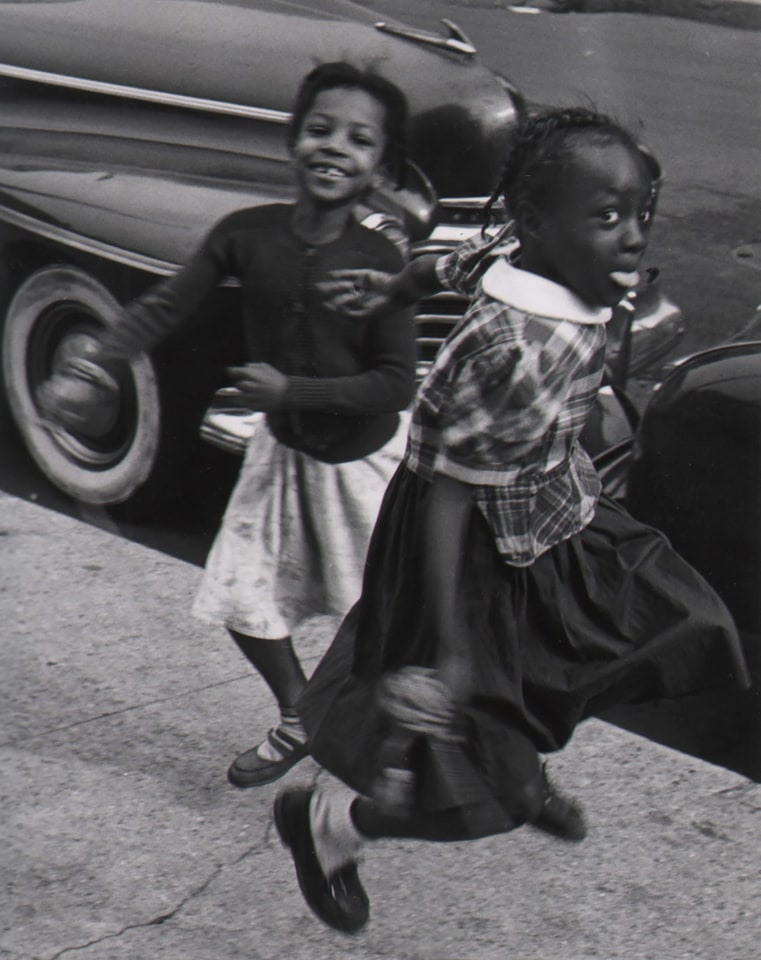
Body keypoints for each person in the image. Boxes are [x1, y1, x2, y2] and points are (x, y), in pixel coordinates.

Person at [271, 107, 751, 934]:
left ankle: (516, 757)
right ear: (536, 222)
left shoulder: (521, 256)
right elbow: (452, 499)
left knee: (676, 620)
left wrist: (388, 286)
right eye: (605, 218)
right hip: (464, 548)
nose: (632, 237)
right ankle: (331, 827)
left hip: (541, 505)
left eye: (639, 214)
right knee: (468, 784)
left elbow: (437, 268)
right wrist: (449, 647)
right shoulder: (522, 346)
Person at [37, 62, 417, 788]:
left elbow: (394, 385)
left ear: (379, 167)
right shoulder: (246, 234)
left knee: (387, 616)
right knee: (243, 597)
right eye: (319, 129)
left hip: (364, 469)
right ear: (291, 141)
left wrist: (289, 387)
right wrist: (95, 365)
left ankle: (387, 739)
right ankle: (302, 716)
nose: (335, 147)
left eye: (359, 140)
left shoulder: (378, 261)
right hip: (285, 460)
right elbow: (164, 307)